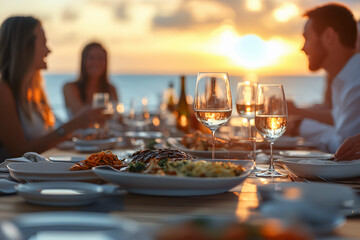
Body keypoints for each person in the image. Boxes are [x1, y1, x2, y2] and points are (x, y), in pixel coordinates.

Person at [0, 16, 106, 161]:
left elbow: (46, 138)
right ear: (25, 46)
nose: (48, 50)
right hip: (15, 180)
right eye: (43, 43)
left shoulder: (35, 91)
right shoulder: (4, 90)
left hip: (39, 171)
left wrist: (72, 134)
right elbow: (17, 153)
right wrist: (72, 126)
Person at [287, 3, 360, 153]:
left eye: (307, 38)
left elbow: (345, 149)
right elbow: (339, 120)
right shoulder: (346, 77)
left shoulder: (356, 81)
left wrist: (300, 126)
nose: (303, 48)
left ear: (328, 36)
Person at [63, 42, 118, 118]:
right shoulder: (69, 88)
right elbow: (82, 116)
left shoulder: (111, 89)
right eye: (91, 58)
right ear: (83, 61)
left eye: (100, 58)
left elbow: (117, 118)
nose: (96, 62)